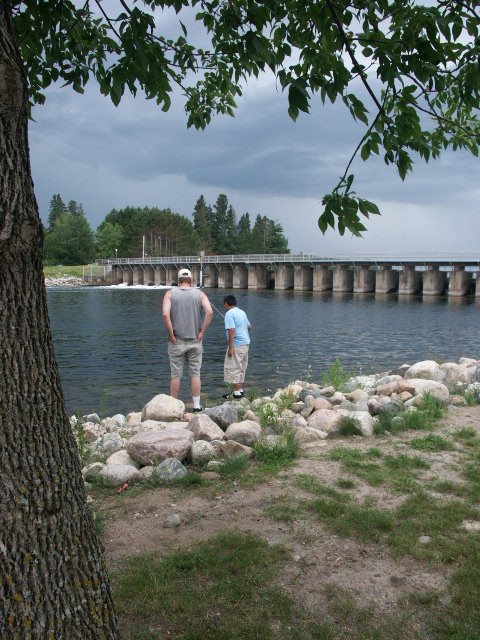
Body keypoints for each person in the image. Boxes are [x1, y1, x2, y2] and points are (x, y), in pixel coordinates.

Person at [162, 268, 213, 411]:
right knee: (195, 374)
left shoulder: (170, 293)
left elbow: (165, 314)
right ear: (191, 280)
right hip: (195, 340)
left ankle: (173, 407)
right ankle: (196, 406)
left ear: (178, 280)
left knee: (176, 375)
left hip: (176, 340)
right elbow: (209, 312)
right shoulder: (200, 294)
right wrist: (202, 332)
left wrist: (171, 334)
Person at [223, 294, 252, 399]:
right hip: (246, 344)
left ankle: (236, 393)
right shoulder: (242, 312)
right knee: (241, 367)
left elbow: (232, 330)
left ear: (226, 303)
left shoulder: (229, 314)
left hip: (237, 344)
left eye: (224, 304)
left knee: (233, 367)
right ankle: (239, 389)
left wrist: (230, 348)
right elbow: (250, 327)